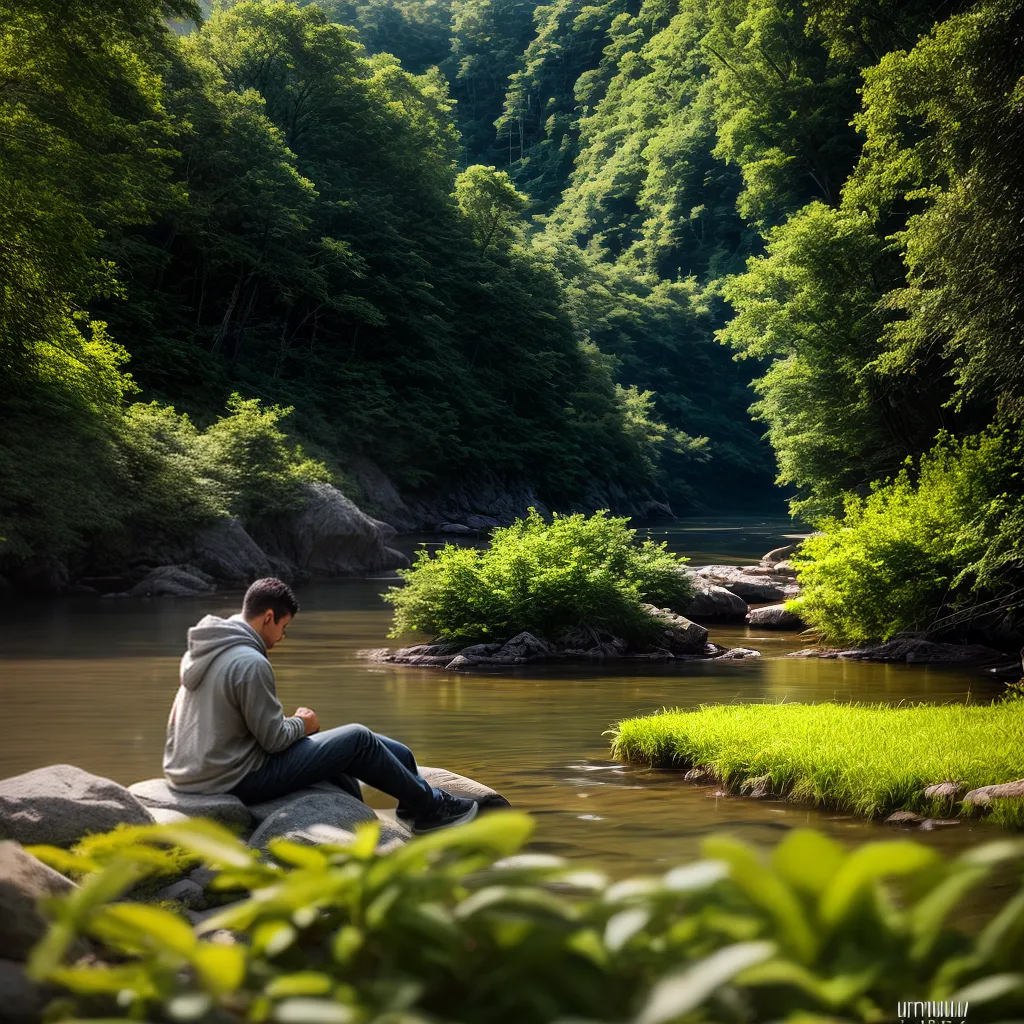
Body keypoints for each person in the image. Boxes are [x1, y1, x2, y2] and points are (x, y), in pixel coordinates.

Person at [162, 577, 479, 834]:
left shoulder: (208, 649)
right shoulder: (249, 662)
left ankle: (414, 812)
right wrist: (304, 723)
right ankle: (433, 808)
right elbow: (274, 741)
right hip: (234, 778)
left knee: (398, 752)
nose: (282, 637)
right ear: (269, 617)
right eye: (283, 627)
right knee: (357, 737)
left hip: (198, 771)